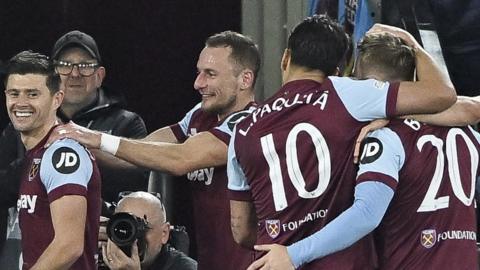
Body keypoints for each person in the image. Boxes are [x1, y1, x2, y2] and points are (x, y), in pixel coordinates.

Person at [226, 16, 456, 270]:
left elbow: (241, 229)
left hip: (273, 261)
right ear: (338, 70)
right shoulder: (346, 93)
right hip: (343, 262)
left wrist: (284, 238)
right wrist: (411, 42)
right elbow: (442, 94)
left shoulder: (242, 128)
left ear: (285, 58)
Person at [47, 30, 260, 270]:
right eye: (199, 72)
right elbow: (144, 153)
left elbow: (181, 159)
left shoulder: (252, 124)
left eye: (210, 74)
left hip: (248, 263)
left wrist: (94, 137)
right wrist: (68, 139)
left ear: (245, 79)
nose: (198, 83)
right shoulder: (200, 115)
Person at [4, 50, 101, 269]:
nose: (20, 103)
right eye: (14, 93)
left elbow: (69, 245)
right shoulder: (36, 154)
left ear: (57, 98)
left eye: (32, 94)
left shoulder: (62, 153)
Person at [102, 191, 197, 270]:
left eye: (141, 228)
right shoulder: (102, 260)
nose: (132, 239)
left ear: (164, 233)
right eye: (124, 226)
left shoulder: (186, 268)